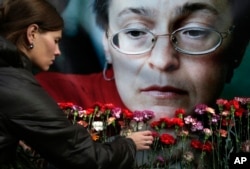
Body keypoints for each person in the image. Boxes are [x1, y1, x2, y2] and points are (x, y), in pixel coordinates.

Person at [0, 0, 153, 169]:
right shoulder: (17, 86)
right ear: (32, 34)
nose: (58, 51)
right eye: (55, 40)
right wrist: (129, 144)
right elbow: (82, 155)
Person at [36, 0, 250, 121]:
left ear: (237, 49)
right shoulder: (44, 103)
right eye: (136, 32)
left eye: (194, 32)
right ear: (107, 44)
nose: (162, 60)